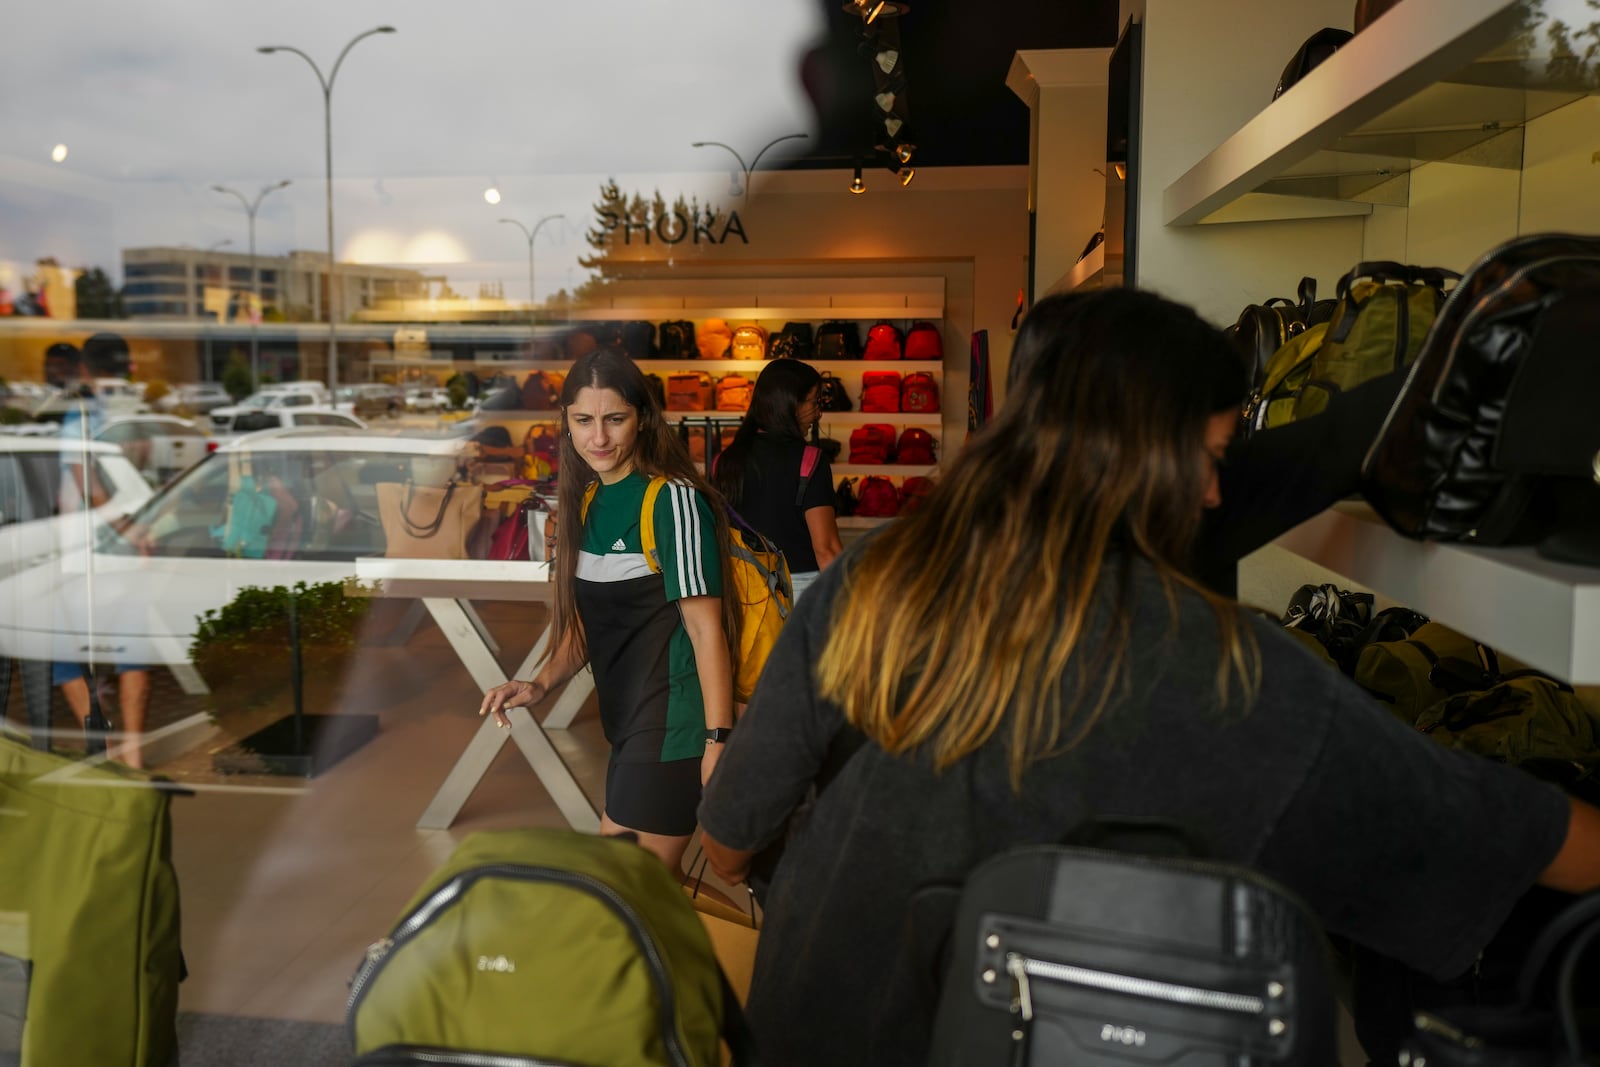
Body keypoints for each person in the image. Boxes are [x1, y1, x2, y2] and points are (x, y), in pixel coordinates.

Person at [695, 289, 1600, 1065]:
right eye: (1206, 460)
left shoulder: (881, 575)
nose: (1215, 493)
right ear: (1139, 460)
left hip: (812, 1026)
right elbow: (1490, 825)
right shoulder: (1217, 670)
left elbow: (732, 831)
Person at [479, 348, 736, 869]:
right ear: (567, 425)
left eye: (614, 419)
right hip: (628, 728)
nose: (599, 437)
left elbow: (707, 631)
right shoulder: (590, 502)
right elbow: (592, 626)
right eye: (584, 420)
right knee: (641, 894)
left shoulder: (673, 501)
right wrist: (540, 682)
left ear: (641, 420)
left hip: (674, 729)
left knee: (621, 890)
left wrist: (718, 741)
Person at [54, 333, 151, 767]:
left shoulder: (78, 419)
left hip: (86, 552)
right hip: (128, 552)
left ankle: (107, 751)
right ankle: (133, 753)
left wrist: (125, 529)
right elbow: (143, 465)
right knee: (133, 652)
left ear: (85, 370)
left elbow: (86, 486)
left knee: (64, 656)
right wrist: (137, 531)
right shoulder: (134, 416)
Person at [710, 360, 842, 601]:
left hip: (743, 590)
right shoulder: (810, 460)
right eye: (814, 402)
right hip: (799, 590)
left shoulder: (724, 461)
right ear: (791, 404)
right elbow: (827, 549)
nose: (818, 413)